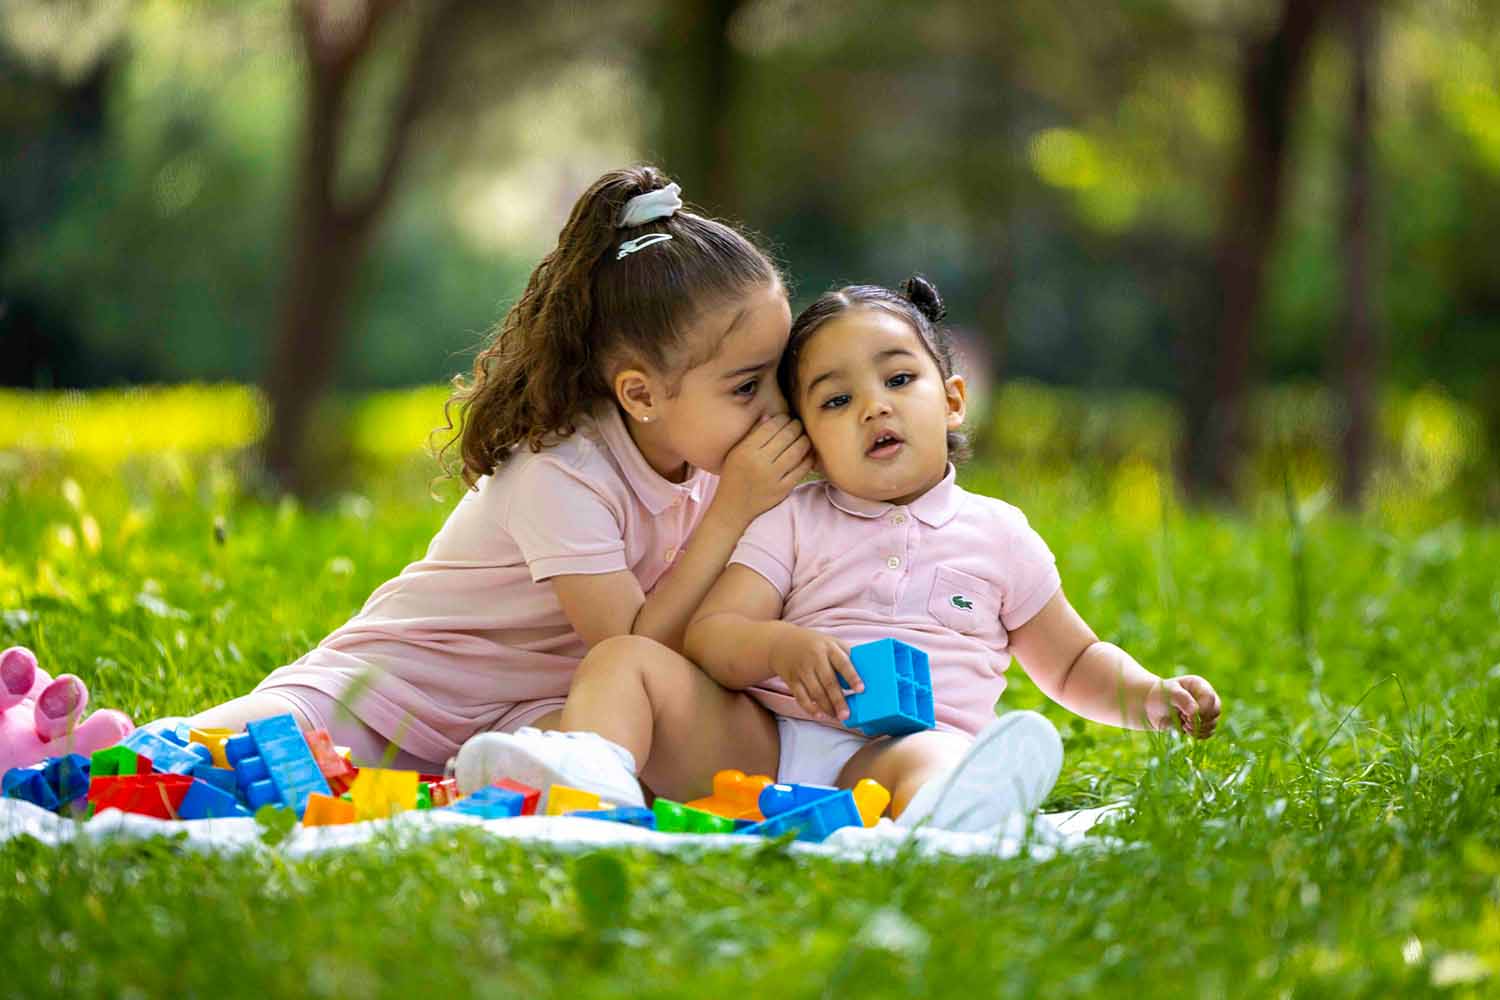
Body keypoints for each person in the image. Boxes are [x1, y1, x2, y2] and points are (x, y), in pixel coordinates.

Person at [457, 276, 1221, 832]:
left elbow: (1075, 658)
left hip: (893, 756)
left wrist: (1149, 698)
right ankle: (589, 782)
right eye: (834, 400)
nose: (874, 406)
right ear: (808, 441)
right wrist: (782, 648)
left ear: (951, 399)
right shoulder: (792, 519)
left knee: (938, 763)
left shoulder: (1000, 534)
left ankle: (956, 818)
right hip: (767, 748)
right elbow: (713, 639)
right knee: (622, 660)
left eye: (897, 379)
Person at [161, 166, 812, 776]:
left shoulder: (709, 462)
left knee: (600, 763)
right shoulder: (564, 469)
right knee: (232, 755)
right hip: (397, 690)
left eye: (778, 374)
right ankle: (97, 746)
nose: (776, 408)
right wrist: (734, 511)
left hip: (522, 715)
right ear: (640, 395)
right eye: (746, 387)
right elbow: (631, 641)